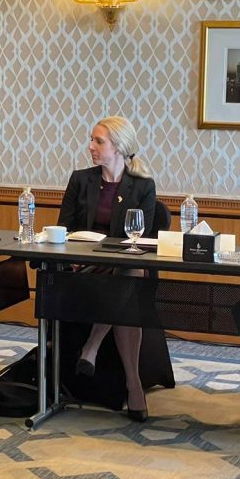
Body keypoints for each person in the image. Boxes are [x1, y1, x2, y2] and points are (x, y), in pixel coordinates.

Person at [57, 116, 156, 422]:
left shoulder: (143, 186)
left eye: (98, 141)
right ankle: (133, 386)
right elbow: (64, 228)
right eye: (92, 140)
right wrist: (74, 255)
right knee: (128, 284)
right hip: (84, 266)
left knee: (128, 273)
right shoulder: (80, 180)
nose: (91, 146)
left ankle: (94, 347)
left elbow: (142, 237)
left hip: (122, 265)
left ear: (119, 147)